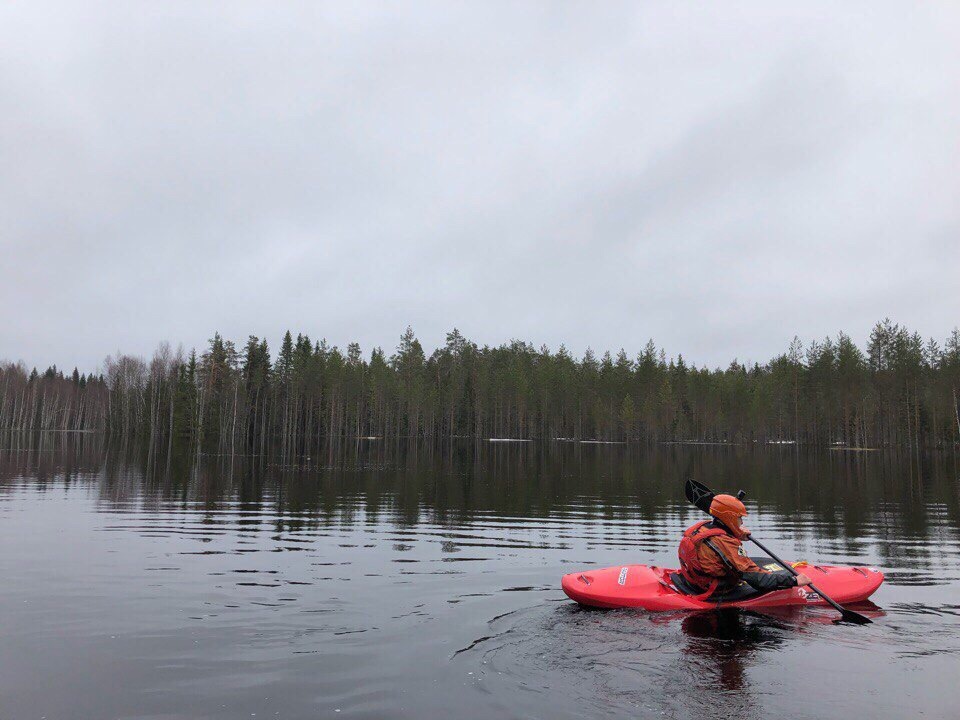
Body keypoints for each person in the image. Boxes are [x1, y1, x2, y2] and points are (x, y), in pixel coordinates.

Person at [677, 493, 812, 599]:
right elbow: (755, 578)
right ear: (729, 518)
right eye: (739, 518)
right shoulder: (727, 543)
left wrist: (736, 533)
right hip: (713, 589)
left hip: (692, 580)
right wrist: (793, 581)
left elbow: (718, 543)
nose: (741, 522)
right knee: (750, 570)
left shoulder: (702, 527)